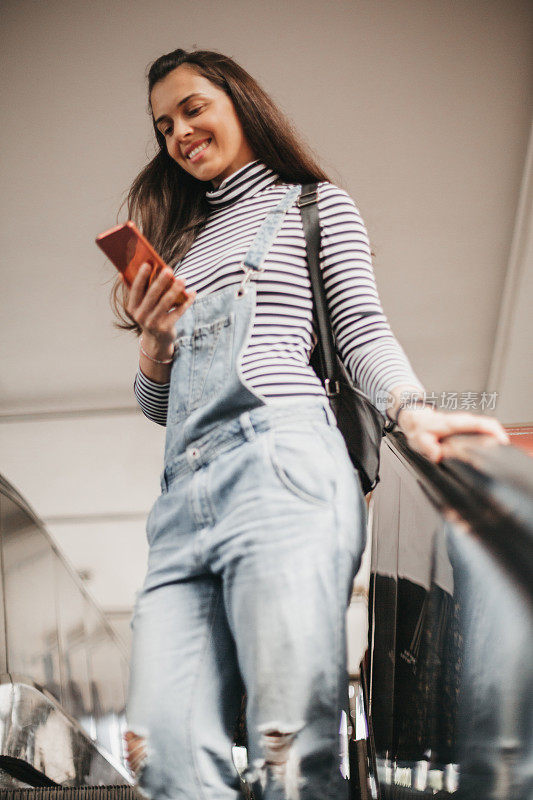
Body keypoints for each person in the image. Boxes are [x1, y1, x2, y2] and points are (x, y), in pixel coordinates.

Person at [113, 48, 509, 800]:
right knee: (160, 750)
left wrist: (412, 410)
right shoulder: (185, 247)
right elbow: (161, 407)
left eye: (193, 108)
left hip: (281, 462)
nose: (179, 134)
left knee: (289, 745)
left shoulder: (311, 204)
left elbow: (358, 331)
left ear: (239, 102)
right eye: (164, 125)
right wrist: (154, 348)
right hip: (181, 500)